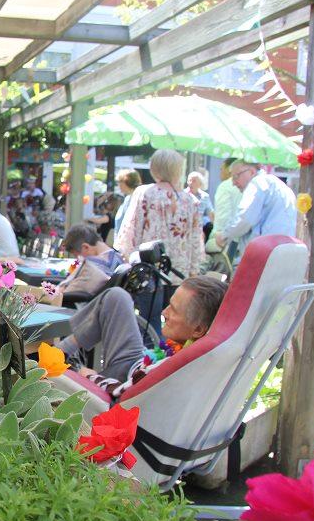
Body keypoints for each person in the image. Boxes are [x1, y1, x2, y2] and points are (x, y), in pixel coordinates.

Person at [54, 276, 228, 400]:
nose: (164, 312)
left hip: (120, 380)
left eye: (173, 310)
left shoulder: (170, 367)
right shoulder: (203, 353)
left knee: (115, 296)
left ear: (197, 330)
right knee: (117, 296)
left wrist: (88, 374)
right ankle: (63, 349)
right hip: (138, 362)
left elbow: (120, 393)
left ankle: (58, 354)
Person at [115, 149, 205, 337]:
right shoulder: (191, 201)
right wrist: (193, 271)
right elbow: (197, 241)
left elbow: (131, 229)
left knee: (149, 322)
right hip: (179, 272)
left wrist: (126, 257)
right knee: (175, 323)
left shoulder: (144, 193)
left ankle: (151, 361)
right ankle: (169, 359)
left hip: (148, 269)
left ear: (155, 168)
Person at [48, 224, 123, 304]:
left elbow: (63, 293)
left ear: (85, 247)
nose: (78, 258)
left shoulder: (89, 266)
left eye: (76, 254)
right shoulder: (120, 258)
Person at [206, 159, 243, 254]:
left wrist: (218, 236)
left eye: (221, 169)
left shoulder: (225, 186)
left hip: (225, 243)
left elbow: (222, 219)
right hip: (241, 243)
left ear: (229, 169)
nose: (220, 173)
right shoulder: (248, 185)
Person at [186, 171, 214, 240]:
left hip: (199, 230)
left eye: (194, 181)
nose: (190, 183)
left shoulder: (205, 197)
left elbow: (211, 214)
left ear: (200, 184)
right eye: (189, 180)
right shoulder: (182, 195)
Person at [113, 169, 141, 237]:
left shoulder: (135, 198)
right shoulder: (128, 198)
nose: (118, 185)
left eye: (120, 182)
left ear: (126, 181)